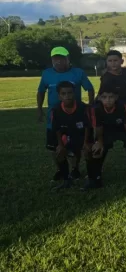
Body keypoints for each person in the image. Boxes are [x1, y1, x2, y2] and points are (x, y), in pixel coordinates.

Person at [37, 46, 95, 182]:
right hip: (54, 116)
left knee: (76, 145)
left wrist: (90, 105)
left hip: (75, 114)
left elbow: (90, 88)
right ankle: (60, 170)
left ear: (68, 59)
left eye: (62, 59)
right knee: (54, 146)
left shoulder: (78, 72)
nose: (58, 62)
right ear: (52, 60)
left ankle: (75, 169)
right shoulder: (46, 73)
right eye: (55, 59)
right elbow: (41, 91)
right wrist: (39, 108)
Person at [89, 86, 126, 189]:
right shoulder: (96, 109)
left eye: (111, 97)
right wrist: (99, 142)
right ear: (100, 98)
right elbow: (98, 127)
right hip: (106, 131)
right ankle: (96, 179)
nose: (108, 100)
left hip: (122, 130)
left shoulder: (123, 106)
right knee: (97, 150)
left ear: (116, 97)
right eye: (104, 97)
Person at [97, 50, 126, 175]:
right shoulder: (106, 78)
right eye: (110, 61)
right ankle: (97, 167)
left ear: (122, 61)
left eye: (115, 60)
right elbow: (101, 96)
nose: (113, 63)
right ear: (106, 63)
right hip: (112, 115)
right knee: (104, 141)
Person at [50, 81, 93, 190]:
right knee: (59, 152)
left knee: (88, 151)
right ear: (59, 96)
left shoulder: (83, 107)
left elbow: (88, 126)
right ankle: (66, 180)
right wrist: (60, 145)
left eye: (69, 93)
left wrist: (86, 143)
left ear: (74, 94)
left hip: (82, 135)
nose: (67, 96)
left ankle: (92, 178)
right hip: (67, 135)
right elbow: (57, 129)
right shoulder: (56, 110)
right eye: (63, 94)